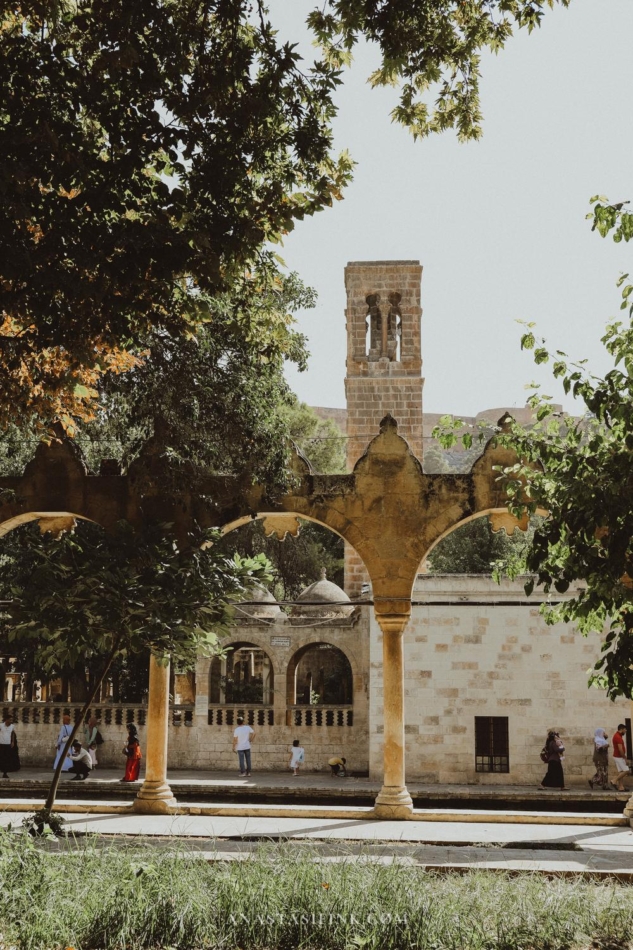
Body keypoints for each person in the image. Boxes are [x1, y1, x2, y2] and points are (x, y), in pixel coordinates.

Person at [611, 723, 630, 791]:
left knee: (621, 771)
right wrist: (625, 758)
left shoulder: (617, 735)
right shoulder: (618, 737)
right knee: (626, 770)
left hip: (617, 756)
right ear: (621, 729)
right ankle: (614, 780)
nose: (626, 731)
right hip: (619, 757)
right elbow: (620, 749)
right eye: (625, 729)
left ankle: (621, 787)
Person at [0, 714, 20, 779]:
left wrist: (13, 742)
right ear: (6, 720)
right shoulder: (1, 725)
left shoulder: (12, 726)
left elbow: (12, 734)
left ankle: (5, 773)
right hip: (1, 744)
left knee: (6, 759)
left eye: (12, 720)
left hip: (7, 745)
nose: (11, 721)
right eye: (10, 719)